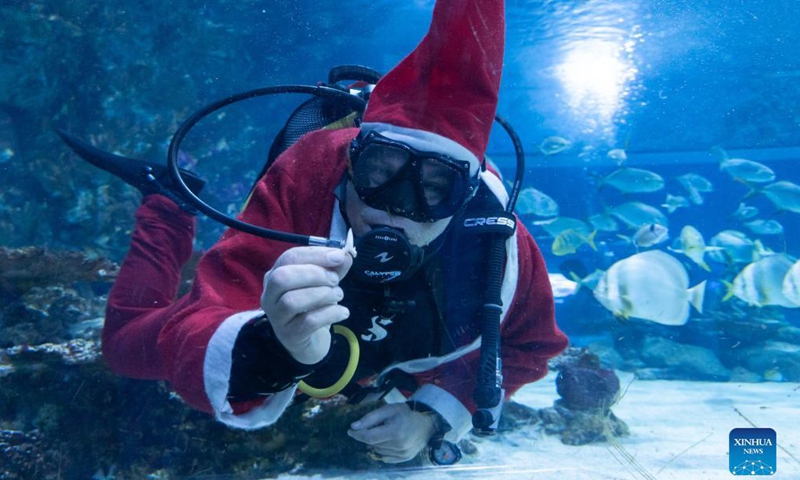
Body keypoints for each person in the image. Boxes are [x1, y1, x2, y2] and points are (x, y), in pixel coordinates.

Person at [82, 0, 567, 465]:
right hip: (314, 311)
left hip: (395, 356)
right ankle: (169, 199)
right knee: (124, 346)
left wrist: (433, 417)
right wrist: (273, 348)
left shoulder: (495, 240)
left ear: (462, 202)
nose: (397, 209)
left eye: (434, 189)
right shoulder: (310, 174)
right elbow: (211, 311)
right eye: (380, 172)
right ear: (352, 163)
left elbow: (530, 344)